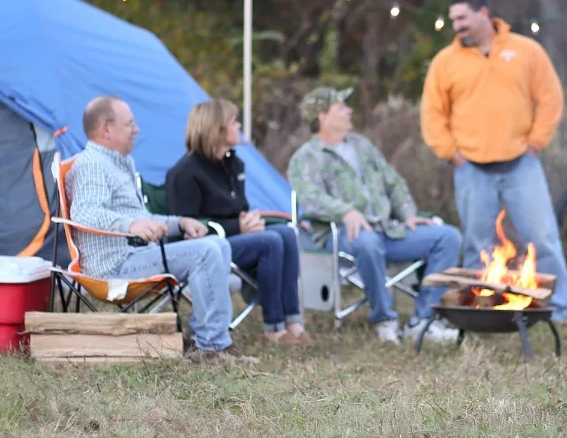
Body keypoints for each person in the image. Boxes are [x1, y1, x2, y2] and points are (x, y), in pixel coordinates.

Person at [66, 95, 256, 366]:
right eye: (129, 123)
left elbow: (144, 219)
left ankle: (214, 341)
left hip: (136, 255)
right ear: (106, 129)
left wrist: (179, 222)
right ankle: (211, 348)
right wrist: (131, 225)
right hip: (114, 268)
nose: (137, 129)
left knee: (218, 244)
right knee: (205, 252)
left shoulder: (120, 163)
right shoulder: (92, 165)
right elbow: (85, 213)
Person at [420, 0, 567, 320]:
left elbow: (550, 97)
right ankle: (481, 310)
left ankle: (555, 309)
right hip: (471, 168)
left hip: (521, 164)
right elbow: (432, 113)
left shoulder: (525, 50)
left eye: (462, 18)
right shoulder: (445, 62)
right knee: (477, 247)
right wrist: (451, 154)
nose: (456, 25)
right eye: (453, 20)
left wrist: (536, 142)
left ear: (483, 14)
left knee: (542, 239)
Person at [287, 86, 462, 344]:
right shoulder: (305, 159)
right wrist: (346, 212)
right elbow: (311, 199)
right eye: (341, 107)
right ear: (322, 117)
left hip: (386, 229)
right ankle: (385, 320)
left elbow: (394, 183)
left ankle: (424, 320)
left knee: (448, 236)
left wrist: (407, 214)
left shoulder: (361, 146)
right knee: (368, 243)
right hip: (345, 235)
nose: (349, 111)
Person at [166, 99, 311, 347]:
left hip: (234, 238)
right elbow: (186, 229)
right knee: (271, 241)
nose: (239, 126)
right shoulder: (184, 173)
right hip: (206, 248)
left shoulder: (233, 163)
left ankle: (293, 321)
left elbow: (237, 207)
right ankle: (273, 327)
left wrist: (248, 220)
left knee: (287, 233)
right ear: (217, 129)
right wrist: (238, 227)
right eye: (233, 122)